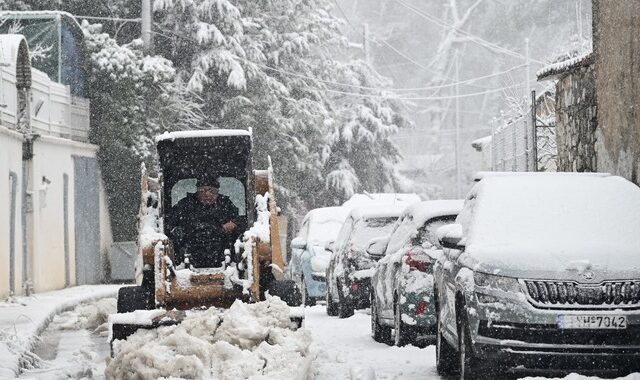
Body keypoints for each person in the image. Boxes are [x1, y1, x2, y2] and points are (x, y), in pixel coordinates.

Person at [167, 175, 242, 268]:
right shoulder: (185, 205)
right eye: (203, 190)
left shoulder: (226, 204)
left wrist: (233, 224)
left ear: (217, 192)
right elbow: (168, 223)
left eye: (211, 191)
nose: (207, 194)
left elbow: (240, 221)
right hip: (188, 252)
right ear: (197, 191)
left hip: (223, 253)